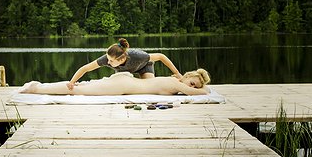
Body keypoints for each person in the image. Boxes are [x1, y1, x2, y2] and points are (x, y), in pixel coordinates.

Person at [67, 38, 182, 90]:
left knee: (150, 87)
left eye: (111, 61)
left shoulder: (138, 56)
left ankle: (173, 81)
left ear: (121, 59)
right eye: (108, 59)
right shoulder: (107, 59)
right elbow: (85, 68)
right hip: (124, 72)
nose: (108, 62)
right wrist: (72, 82)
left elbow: (161, 56)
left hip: (143, 66)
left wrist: (177, 73)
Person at [20, 68, 211, 96]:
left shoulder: (173, 81)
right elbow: (203, 94)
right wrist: (203, 89)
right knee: (77, 91)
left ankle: (38, 86)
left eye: (194, 85)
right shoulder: (178, 84)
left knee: (82, 87)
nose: (190, 87)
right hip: (123, 85)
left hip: (125, 82)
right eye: (191, 82)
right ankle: (36, 88)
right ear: (185, 77)